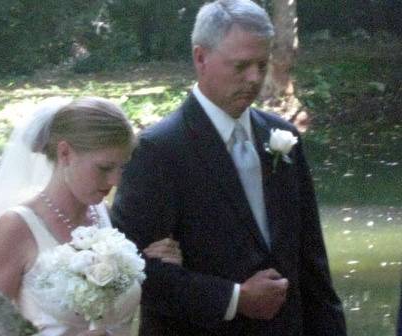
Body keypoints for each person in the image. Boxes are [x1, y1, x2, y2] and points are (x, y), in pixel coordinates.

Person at [111, 0, 347, 335]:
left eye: (261, 66)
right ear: (200, 58)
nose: (254, 79)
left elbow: (311, 263)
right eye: (240, 66)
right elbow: (132, 271)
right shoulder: (159, 149)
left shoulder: (283, 136)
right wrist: (234, 298)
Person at [0, 97, 182, 336]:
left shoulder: (104, 214)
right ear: (65, 153)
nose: (116, 181)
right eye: (104, 168)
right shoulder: (16, 228)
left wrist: (150, 263)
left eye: (122, 167)